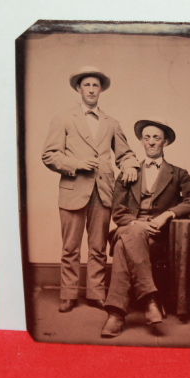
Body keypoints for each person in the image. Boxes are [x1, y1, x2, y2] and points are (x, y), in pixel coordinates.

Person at [42, 66, 139, 313]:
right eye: (87, 85)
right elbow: (49, 155)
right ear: (79, 89)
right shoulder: (64, 118)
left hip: (103, 191)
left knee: (98, 247)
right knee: (70, 247)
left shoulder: (111, 123)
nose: (92, 89)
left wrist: (129, 165)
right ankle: (68, 294)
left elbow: (125, 153)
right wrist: (76, 164)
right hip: (73, 189)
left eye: (96, 85)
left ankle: (96, 293)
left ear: (101, 90)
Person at [100, 118, 190, 338]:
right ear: (140, 142)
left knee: (122, 247)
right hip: (132, 227)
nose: (151, 142)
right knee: (133, 233)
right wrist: (138, 223)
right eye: (146, 138)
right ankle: (150, 299)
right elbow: (118, 212)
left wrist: (168, 214)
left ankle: (116, 314)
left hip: (158, 236)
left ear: (164, 142)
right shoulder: (128, 172)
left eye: (156, 138)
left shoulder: (178, 173)